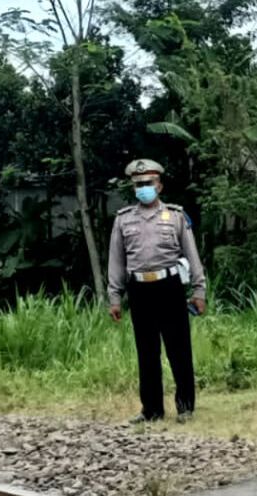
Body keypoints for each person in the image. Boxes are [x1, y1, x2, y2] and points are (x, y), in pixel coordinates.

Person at [107, 159, 207, 424]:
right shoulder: (123, 220)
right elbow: (116, 261)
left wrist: (199, 291)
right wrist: (114, 297)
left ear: (159, 186)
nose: (143, 188)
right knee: (147, 351)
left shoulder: (175, 216)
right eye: (139, 184)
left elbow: (192, 255)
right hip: (139, 289)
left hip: (169, 287)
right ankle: (151, 409)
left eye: (148, 183)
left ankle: (185, 406)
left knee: (179, 349)